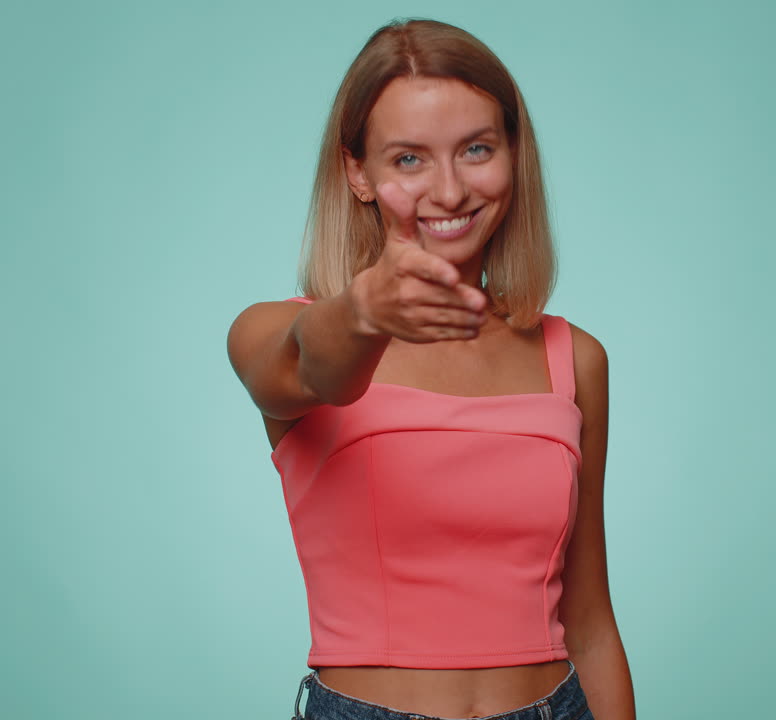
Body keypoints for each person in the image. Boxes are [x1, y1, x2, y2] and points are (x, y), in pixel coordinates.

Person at [227, 18, 634, 720]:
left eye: (476, 149)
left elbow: (592, 624)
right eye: (409, 160)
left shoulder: (576, 360)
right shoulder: (271, 329)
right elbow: (309, 365)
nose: (449, 191)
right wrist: (364, 309)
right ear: (358, 171)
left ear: (514, 153)